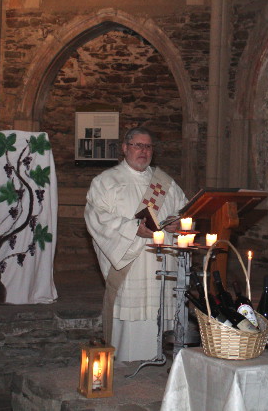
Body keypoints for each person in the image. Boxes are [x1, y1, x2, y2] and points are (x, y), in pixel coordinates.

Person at [84, 127, 187, 361]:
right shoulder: (106, 182)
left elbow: (185, 212)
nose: (143, 151)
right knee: (132, 336)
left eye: (148, 146)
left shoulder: (165, 184)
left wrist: (178, 224)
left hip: (164, 271)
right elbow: (97, 218)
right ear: (124, 148)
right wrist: (133, 229)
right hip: (131, 269)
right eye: (138, 145)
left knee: (164, 326)